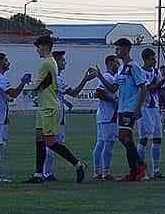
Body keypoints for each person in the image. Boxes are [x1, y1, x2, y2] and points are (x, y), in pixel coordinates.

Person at [22, 36, 87, 184]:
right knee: (39, 139)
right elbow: (44, 85)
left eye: (38, 47)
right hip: (43, 106)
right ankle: (39, 174)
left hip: (49, 108)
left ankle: (78, 164)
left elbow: (36, 85)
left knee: (50, 142)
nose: (37, 50)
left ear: (44, 46)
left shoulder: (46, 63)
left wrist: (22, 85)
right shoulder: (50, 63)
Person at [42, 50, 96, 181]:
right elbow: (74, 93)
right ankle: (48, 172)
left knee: (51, 144)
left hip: (52, 114)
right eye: (62, 60)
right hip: (55, 115)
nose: (64, 62)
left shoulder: (51, 77)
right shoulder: (56, 78)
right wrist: (86, 79)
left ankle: (48, 173)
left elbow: (70, 94)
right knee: (53, 144)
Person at [100, 38, 149, 181]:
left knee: (124, 137)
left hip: (130, 108)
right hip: (121, 108)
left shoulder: (134, 67)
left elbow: (143, 88)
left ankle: (140, 166)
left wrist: (138, 108)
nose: (116, 51)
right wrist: (99, 76)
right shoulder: (121, 68)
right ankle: (134, 171)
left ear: (126, 49)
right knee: (125, 139)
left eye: (118, 49)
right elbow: (113, 88)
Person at [0, 52, 30, 183]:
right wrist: (23, 82)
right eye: (6, 60)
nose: (8, 63)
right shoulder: (0, 78)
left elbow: (2, 96)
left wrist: (6, 99)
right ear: (0, 63)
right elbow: (13, 93)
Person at [138, 49, 165, 179]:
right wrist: (164, 80)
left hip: (155, 109)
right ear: (145, 59)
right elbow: (149, 89)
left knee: (157, 139)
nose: (155, 61)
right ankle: (141, 171)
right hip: (144, 109)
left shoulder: (156, 72)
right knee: (144, 139)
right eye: (152, 58)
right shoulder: (140, 72)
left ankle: (156, 170)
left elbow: (162, 91)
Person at [92, 55, 121, 180]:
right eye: (116, 63)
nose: (118, 65)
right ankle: (105, 172)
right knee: (109, 143)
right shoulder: (108, 77)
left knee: (101, 143)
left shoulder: (108, 77)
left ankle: (97, 171)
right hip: (108, 115)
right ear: (110, 63)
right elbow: (98, 92)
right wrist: (113, 100)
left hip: (103, 115)